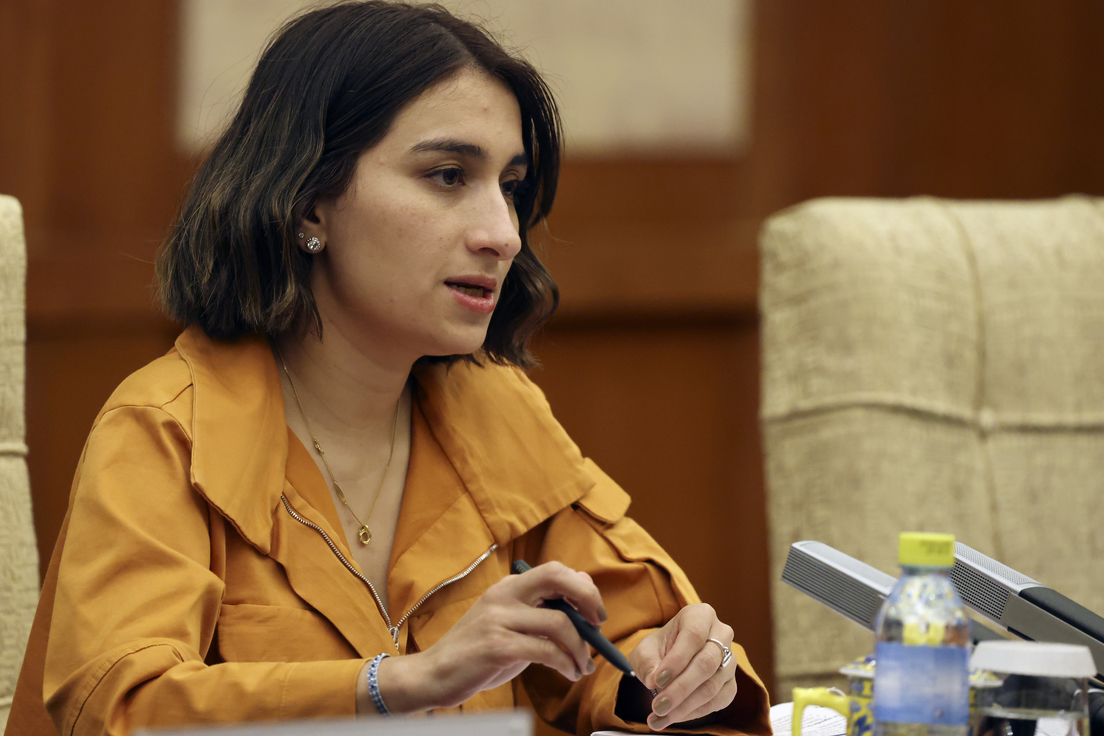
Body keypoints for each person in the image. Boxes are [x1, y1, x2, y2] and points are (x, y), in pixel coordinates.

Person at [6, 3, 772, 735]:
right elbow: (123, 709)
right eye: (448, 176)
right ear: (309, 204)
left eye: (510, 187)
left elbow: (625, 636)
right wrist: (399, 682)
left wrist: (665, 676)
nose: (503, 234)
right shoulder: (166, 428)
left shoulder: (492, 411)